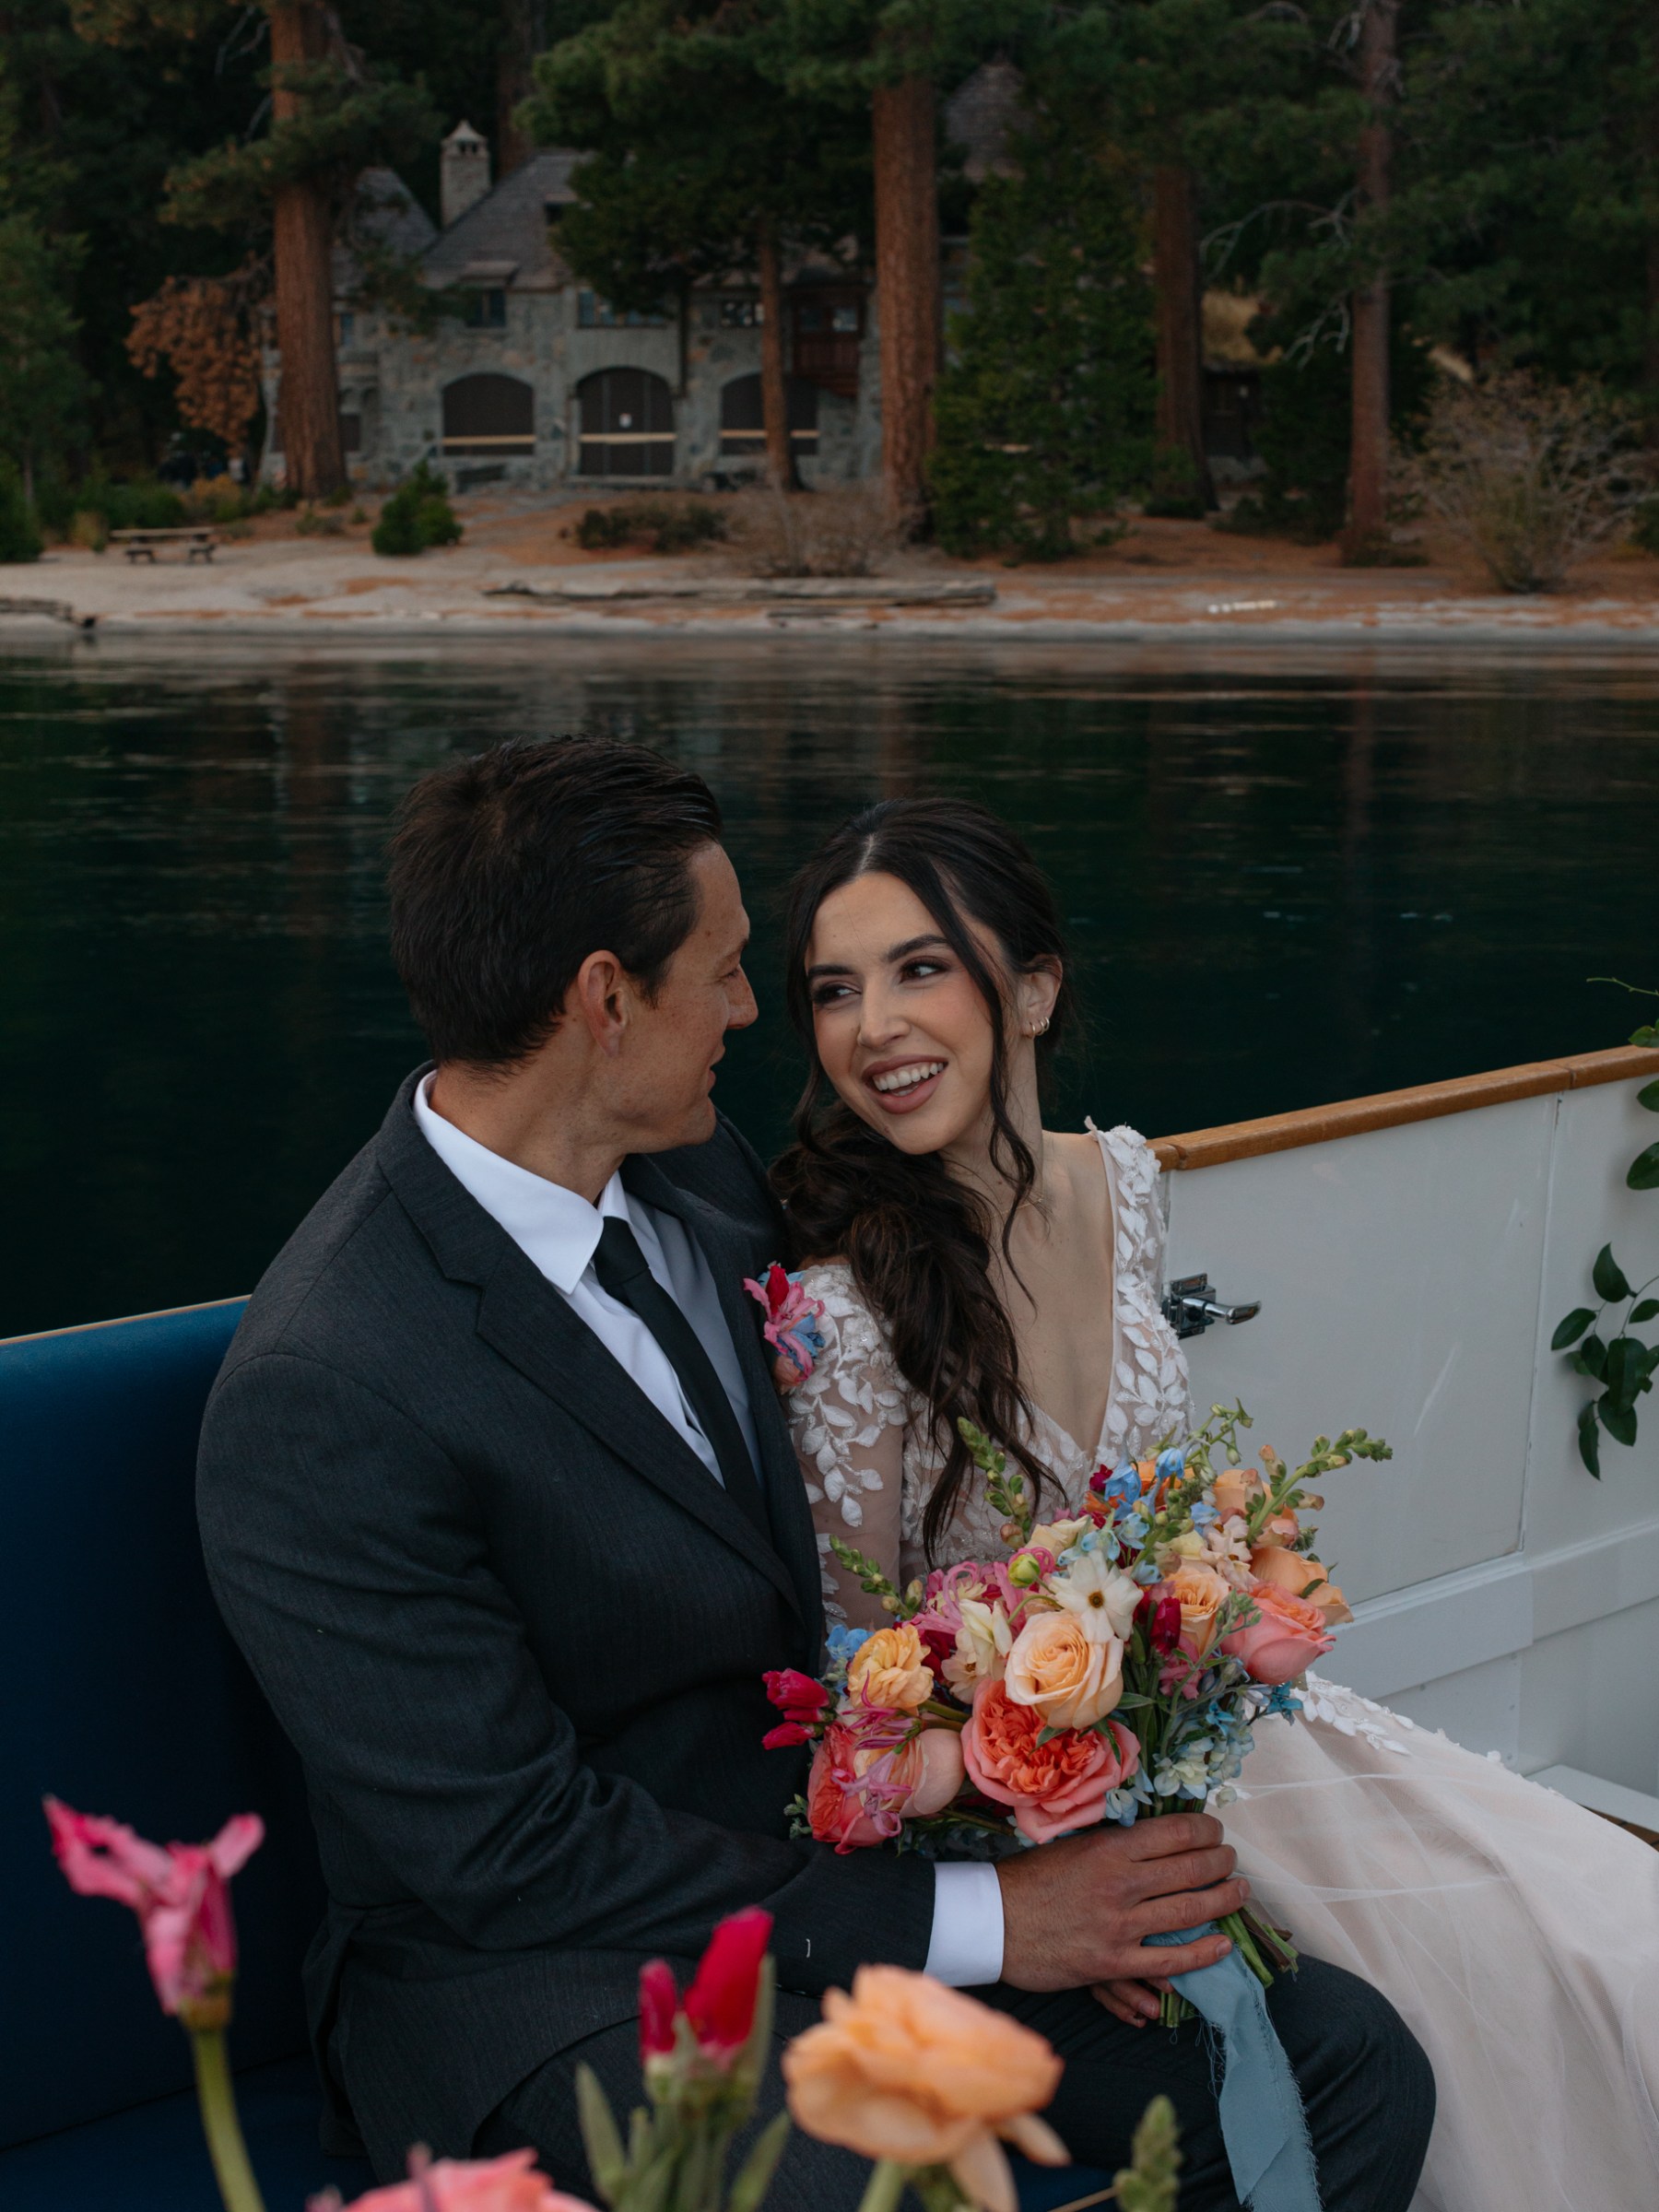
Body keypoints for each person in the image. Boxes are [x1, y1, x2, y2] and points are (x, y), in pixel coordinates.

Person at [196, 737, 1430, 2211]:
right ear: (605, 1001)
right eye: (726, 972)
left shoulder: (694, 1172)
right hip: (555, 1976)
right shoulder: (327, 1387)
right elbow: (515, 1853)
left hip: (846, 1869)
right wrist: (994, 1918)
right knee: (886, 2188)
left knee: (1344, 2064)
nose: (748, 1010)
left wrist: (1045, 1800)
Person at [773, 794, 1659, 2212]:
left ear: (1034, 990)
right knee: (1496, 1996)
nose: (874, 1027)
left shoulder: (1122, 1181)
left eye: (919, 968)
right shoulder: (842, 1318)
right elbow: (858, 1699)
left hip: (1242, 1748)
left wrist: (1237, 1584)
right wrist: (1056, 1884)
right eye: (834, 989)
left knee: (1619, 1933)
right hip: (1042, 1822)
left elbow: (1154, 1507)